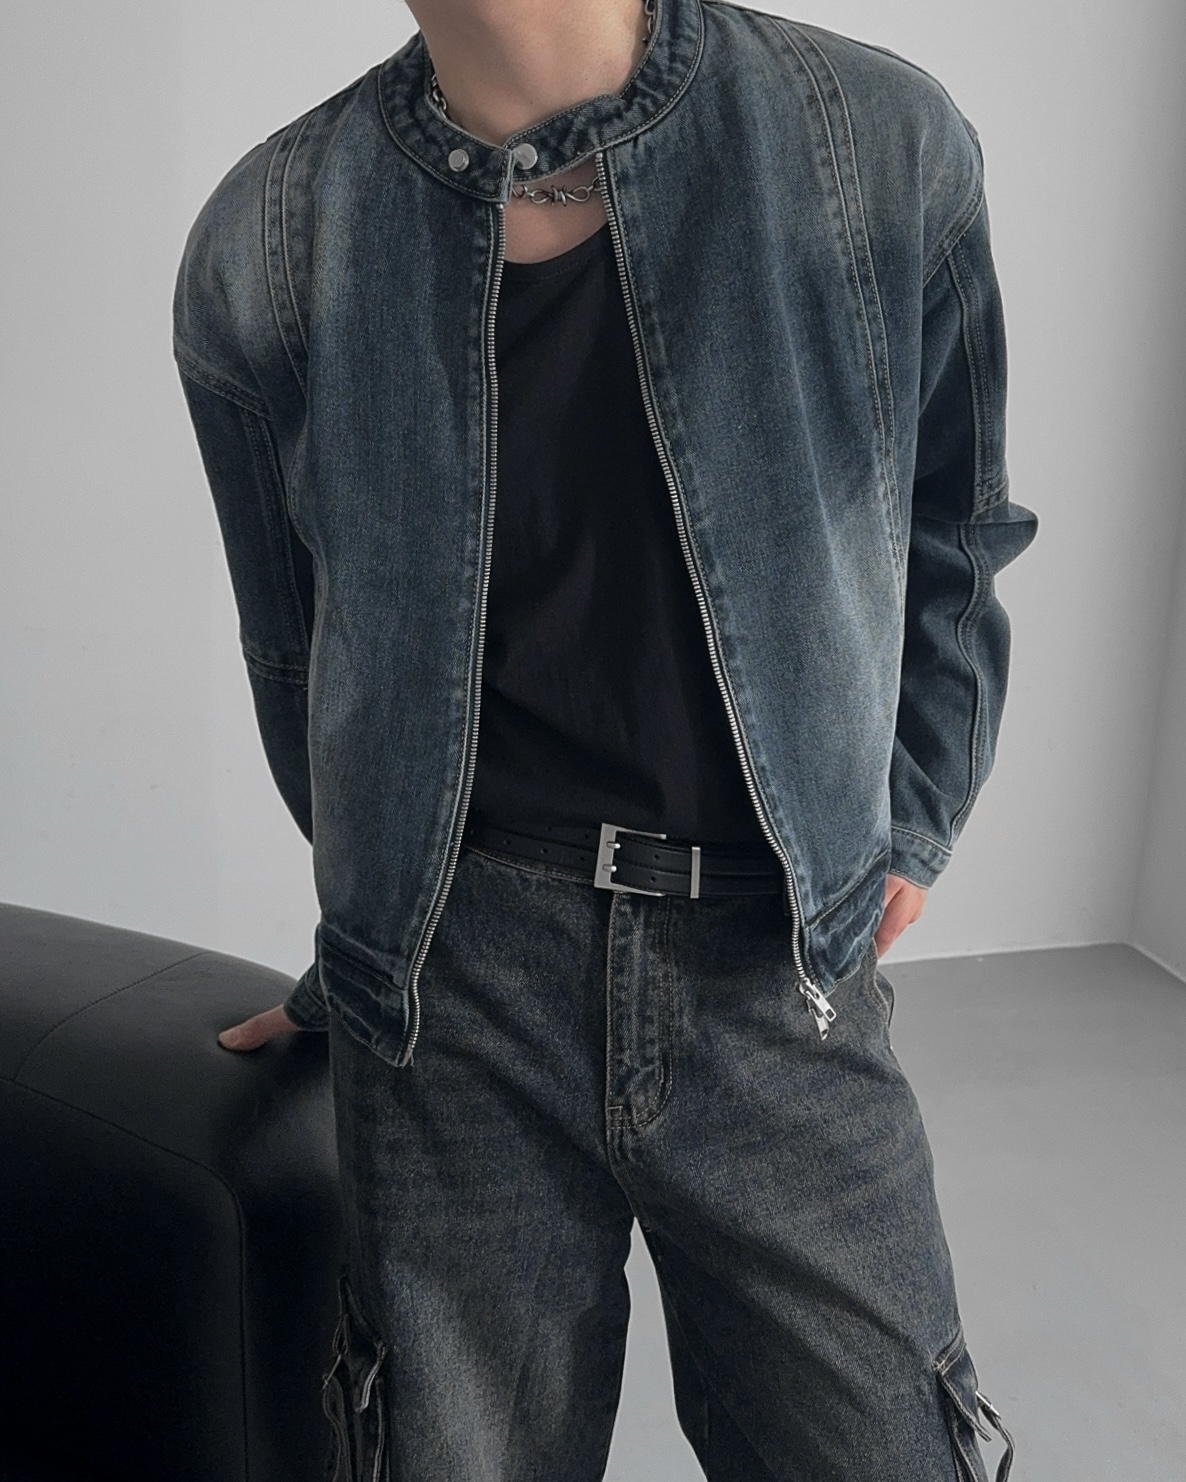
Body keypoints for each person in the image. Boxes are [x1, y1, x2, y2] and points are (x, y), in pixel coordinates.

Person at [175, 0, 1037, 1475]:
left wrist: (910, 814)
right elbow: (300, 653)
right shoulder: (269, 234)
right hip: (452, 1005)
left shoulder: (871, 141)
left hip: (771, 973)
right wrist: (364, 952)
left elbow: (955, 525)